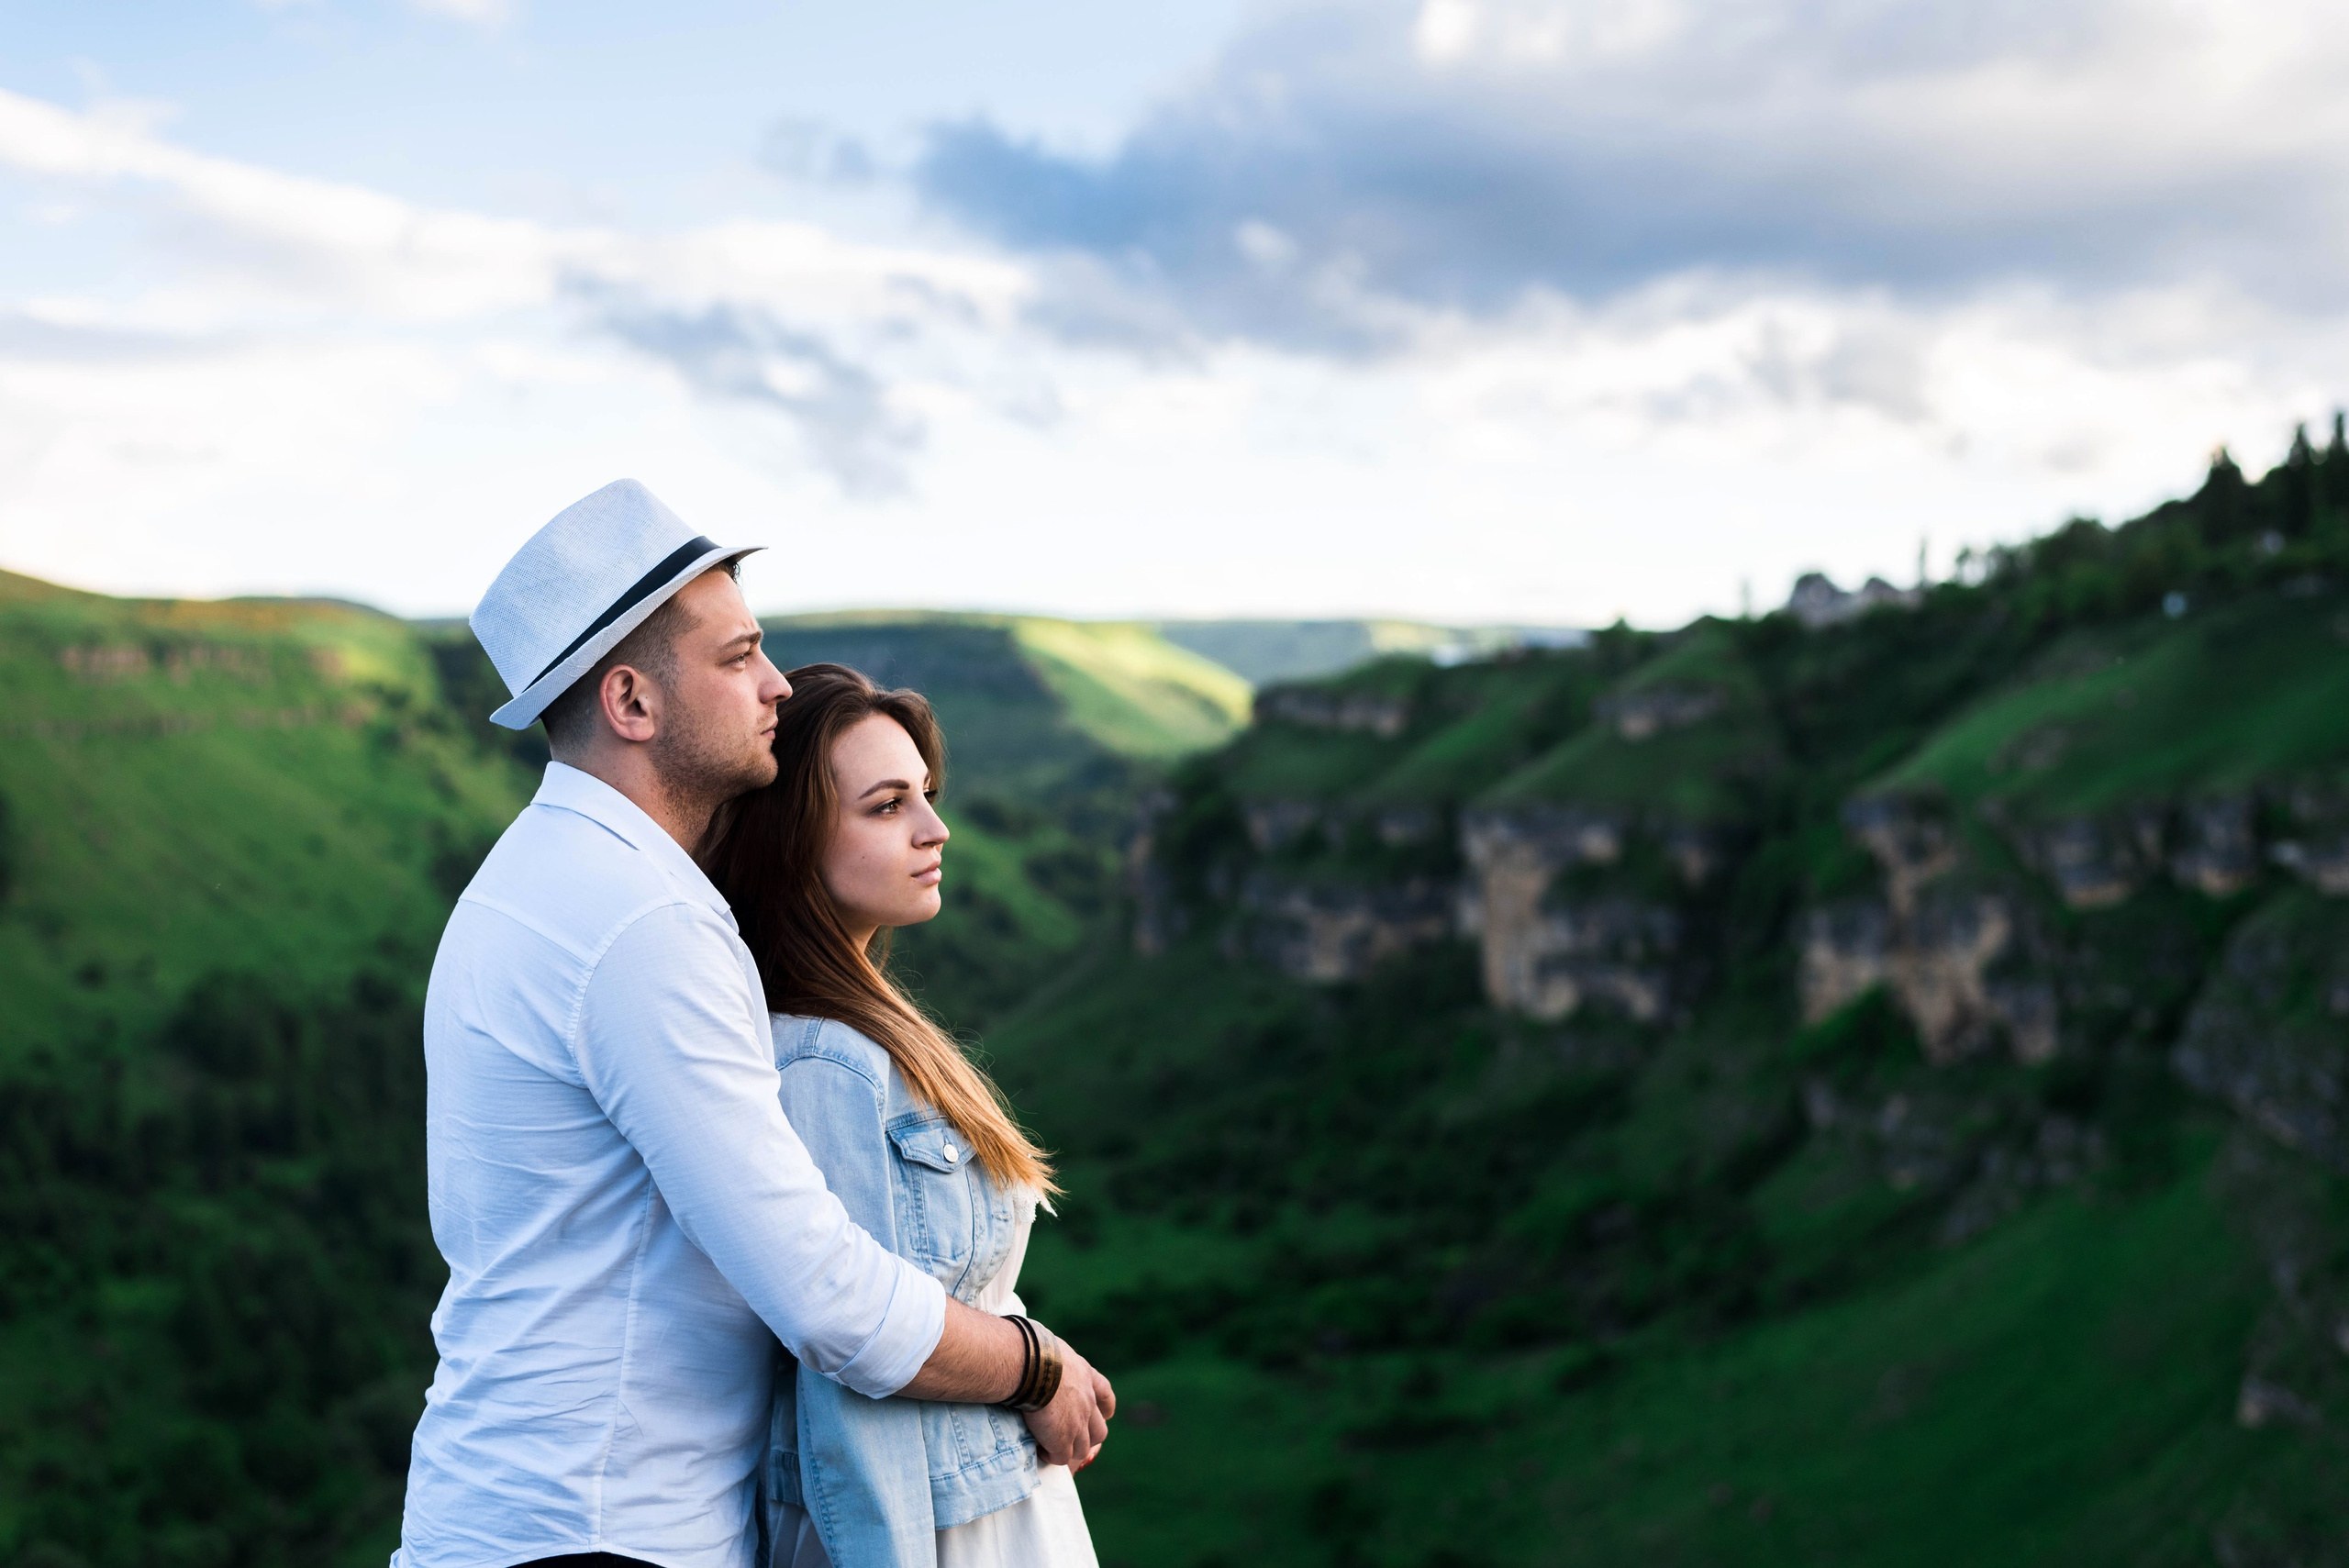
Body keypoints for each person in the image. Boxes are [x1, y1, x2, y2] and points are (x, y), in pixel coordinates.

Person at [396, 482, 1112, 1568]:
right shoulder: (641, 920)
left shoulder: (541, 875)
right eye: (737, 658)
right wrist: (1034, 1364)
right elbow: (826, 1294)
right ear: (632, 703)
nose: (776, 683)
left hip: (523, 1517)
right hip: (600, 1535)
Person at [705, 664, 1103, 1568]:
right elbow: (850, 1382)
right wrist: (1034, 1364)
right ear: (791, 838)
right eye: (886, 805)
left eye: (923, 793)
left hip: (989, 1501)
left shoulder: (861, 1026)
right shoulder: (823, 1066)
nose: (937, 827)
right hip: (947, 1530)